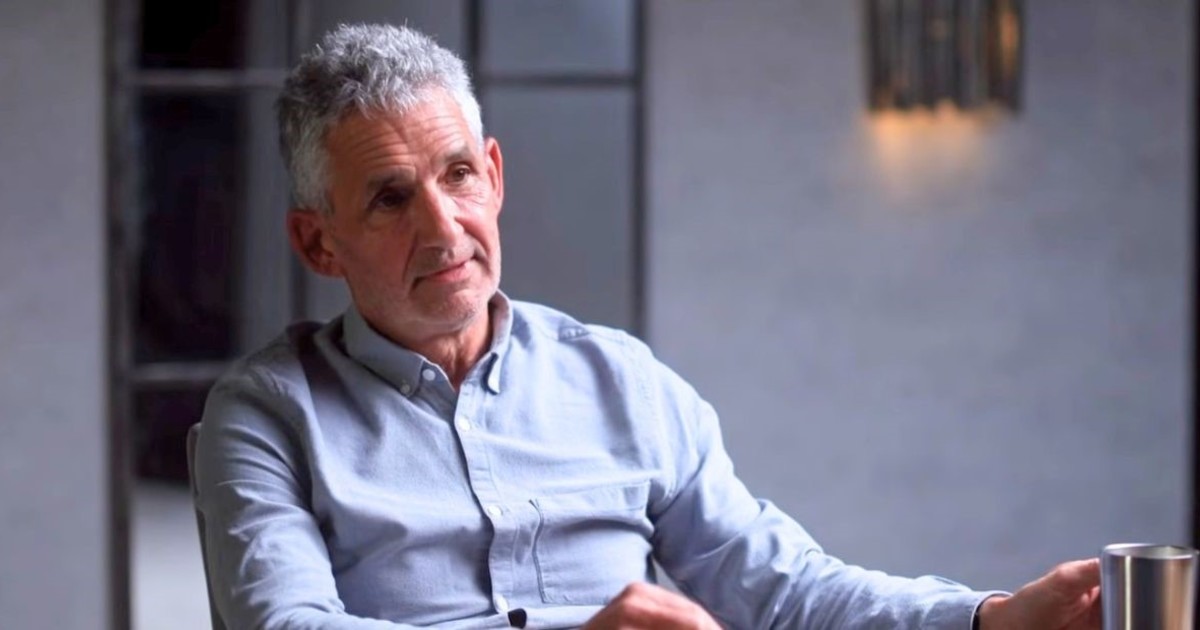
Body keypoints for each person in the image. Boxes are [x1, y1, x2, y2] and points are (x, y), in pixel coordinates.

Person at [194, 23, 1103, 630]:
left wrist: (986, 619)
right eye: (392, 198)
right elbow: (288, 625)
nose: (444, 227)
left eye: (459, 174)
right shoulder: (269, 416)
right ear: (318, 243)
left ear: (495, 177)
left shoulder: (619, 381)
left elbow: (785, 591)